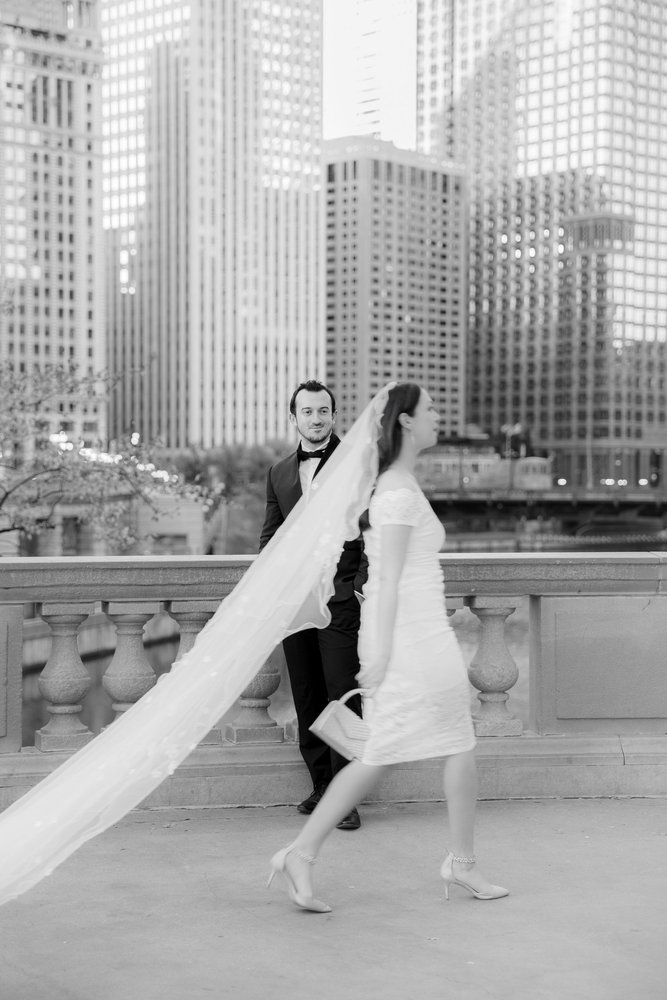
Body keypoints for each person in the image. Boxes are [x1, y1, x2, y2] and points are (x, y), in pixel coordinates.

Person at [267, 382, 509, 912]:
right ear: (405, 421)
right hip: (414, 642)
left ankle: (455, 861)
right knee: (395, 753)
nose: (439, 415)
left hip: (424, 636)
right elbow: (389, 579)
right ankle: (305, 854)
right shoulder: (396, 491)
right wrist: (377, 653)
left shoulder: (398, 481)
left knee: (431, 749)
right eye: (431, 409)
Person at [260, 379, 367, 831]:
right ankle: (321, 785)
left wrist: (357, 587)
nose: (316, 418)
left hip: (339, 601)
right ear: (294, 418)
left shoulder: (357, 464)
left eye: (323, 411)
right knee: (305, 694)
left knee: (342, 694)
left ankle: (347, 797)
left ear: (333, 415)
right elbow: (271, 538)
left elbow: (372, 529)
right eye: (307, 411)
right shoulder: (279, 473)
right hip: (295, 602)